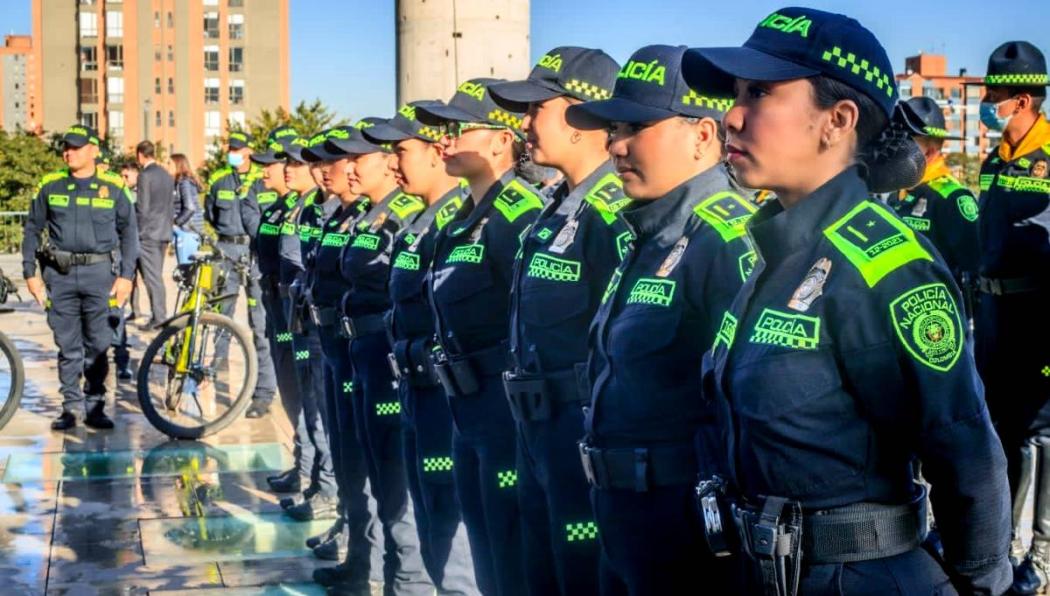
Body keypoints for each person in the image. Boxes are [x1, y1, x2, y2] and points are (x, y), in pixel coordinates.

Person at [685, 7, 1011, 594]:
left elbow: (964, 450)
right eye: (734, 93)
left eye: (759, 93)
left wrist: (981, 586)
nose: (731, 115)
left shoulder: (885, 266)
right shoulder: (774, 254)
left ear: (836, 119)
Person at [566, 45, 749, 595]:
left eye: (637, 126)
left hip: (683, 532)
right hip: (622, 517)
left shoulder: (726, 238)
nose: (615, 145)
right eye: (615, 126)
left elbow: (748, 408)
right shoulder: (648, 233)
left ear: (702, 135)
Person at [488, 47, 624, 596]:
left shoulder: (612, 212)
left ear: (579, 117)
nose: (523, 124)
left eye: (535, 109)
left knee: (579, 569)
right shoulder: (555, 206)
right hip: (532, 430)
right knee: (533, 568)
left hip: (577, 433)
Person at [416, 79, 542, 596]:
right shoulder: (461, 218)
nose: (445, 142)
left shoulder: (519, 214)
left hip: (500, 411)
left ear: (501, 139)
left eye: (459, 129)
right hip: (463, 408)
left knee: (509, 551)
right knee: (483, 547)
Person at [365, 101, 481, 595]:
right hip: (411, 384)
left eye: (402, 150)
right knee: (424, 514)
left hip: (445, 397)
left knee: (450, 530)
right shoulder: (427, 220)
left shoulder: (458, 220)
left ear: (436, 153)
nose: (393, 162)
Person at [971, 40, 1050, 594]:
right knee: (996, 429)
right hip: (993, 315)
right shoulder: (995, 159)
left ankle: (1040, 553)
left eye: (994, 96)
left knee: (1039, 436)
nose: (987, 103)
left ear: (1022, 99)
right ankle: (1000, 543)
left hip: (1039, 318)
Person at [21, 125, 138, 431]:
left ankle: (95, 406)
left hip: (100, 275)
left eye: (75, 147)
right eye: (66, 146)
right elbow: (32, 229)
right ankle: (71, 407)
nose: (68, 152)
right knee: (68, 345)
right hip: (60, 276)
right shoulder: (51, 185)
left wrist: (126, 276)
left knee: (98, 344)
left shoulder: (113, 186)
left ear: (93, 151)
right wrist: (29, 274)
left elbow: (130, 233)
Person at [297, 125, 378, 570]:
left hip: (358, 351)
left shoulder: (378, 216)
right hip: (329, 341)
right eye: (322, 161)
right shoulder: (341, 216)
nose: (323, 171)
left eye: (335, 160)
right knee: (343, 447)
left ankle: (364, 549)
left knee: (366, 460)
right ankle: (353, 537)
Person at [275, 134, 339, 522]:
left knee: (323, 412)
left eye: (300, 163)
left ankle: (327, 488)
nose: (292, 169)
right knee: (308, 403)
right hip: (297, 316)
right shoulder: (307, 209)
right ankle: (316, 479)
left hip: (322, 327)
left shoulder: (344, 212)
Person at [251, 127, 315, 496]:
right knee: (290, 391)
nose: (281, 169)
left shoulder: (311, 209)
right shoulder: (282, 207)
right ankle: (301, 463)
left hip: (295, 310)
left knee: (304, 393)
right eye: (282, 162)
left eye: (292, 162)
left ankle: (310, 471)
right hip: (277, 306)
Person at [203, 131, 278, 418]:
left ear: (248, 150)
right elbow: (210, 214)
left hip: (254, 253)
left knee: (260, 323)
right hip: (225, 251)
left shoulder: (263, 179)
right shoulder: (219, 179)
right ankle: (213, 372)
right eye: (230, 148)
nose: (233, 152)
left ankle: (263, 391)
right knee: (221, 317)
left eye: (237, 148)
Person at [885, 97, 979, 302]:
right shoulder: (897, 192)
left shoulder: (952, 198)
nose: (895, 147)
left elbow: (973, 265)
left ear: (930, 151)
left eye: (907, 140)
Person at [133, 140, 175, 329]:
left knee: (152, 278)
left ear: (141, 155)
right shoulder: (166, 175)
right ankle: (159, 314)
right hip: (164, 231)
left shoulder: (145, 175)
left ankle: (159, 317)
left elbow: (143, 207)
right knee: (156, 276)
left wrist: (139, 233)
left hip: (148, 233)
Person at [171, 153, 205, 266]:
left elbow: (190, 208)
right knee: (186, 272)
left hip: (187, 231)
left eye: (169, 163)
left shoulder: (184, 183)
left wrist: (175, 223)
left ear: (177, 165)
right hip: (186, 231)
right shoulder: (179, 182)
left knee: (186, 271)